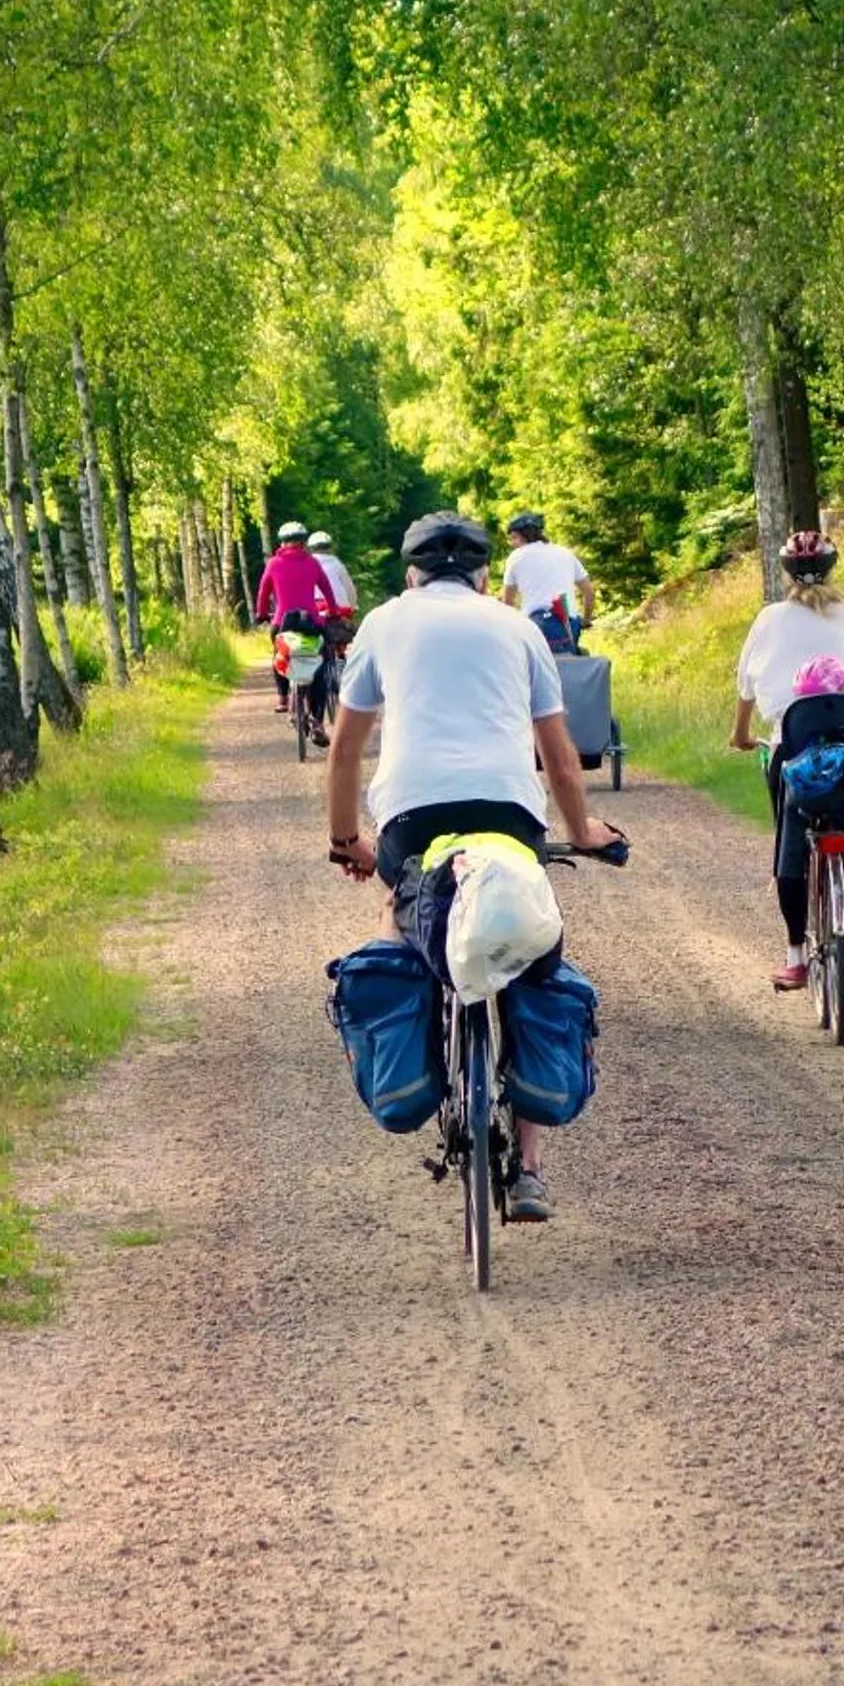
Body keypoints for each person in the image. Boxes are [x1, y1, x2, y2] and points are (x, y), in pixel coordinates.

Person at [329, 511, 623, 1223]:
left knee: (403, 920)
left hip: (411, 821)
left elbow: (343, 750)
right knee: (527, 947)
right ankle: (528, 1169)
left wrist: (349, 843)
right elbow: (557, 752)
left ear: (411, 573)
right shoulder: (519, 629)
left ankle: (418, 1058)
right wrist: (581, 829)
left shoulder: (383, 623)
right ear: (486, 575)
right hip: (508, 818)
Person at [730, 530, 844, 991]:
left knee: (792, 838)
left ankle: (796, 956)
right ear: (832, 568)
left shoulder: (769, 618)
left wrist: (741, 735)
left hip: (794, 735)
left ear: (785, 573)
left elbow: (745, 688)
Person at [256, 520, 341, 716]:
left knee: (279, 654)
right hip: (311, 622)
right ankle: (318, 722)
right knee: (319, 664)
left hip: (282, 622)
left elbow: (263, 592)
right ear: (303, 543)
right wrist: (334, 611)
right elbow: (327, 589)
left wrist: (261, 614)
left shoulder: (274, 564)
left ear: (282, 543)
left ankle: (283, 698)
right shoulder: (313, 563)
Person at [498, 512, 593, 652]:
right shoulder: (565, 553)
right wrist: (586, 619)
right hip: (567, 621)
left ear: (526, 535)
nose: (512, 543)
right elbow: (589, 593)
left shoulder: (515, 557)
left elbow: (507, 602)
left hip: (534, 626)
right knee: (573, 663)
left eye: (514, 538)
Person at [307, 530, 359, 619]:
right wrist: (353, 605)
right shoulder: (338, 565)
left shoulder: (306, 565)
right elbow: (349, 589)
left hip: (313, 611)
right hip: (339, 611)